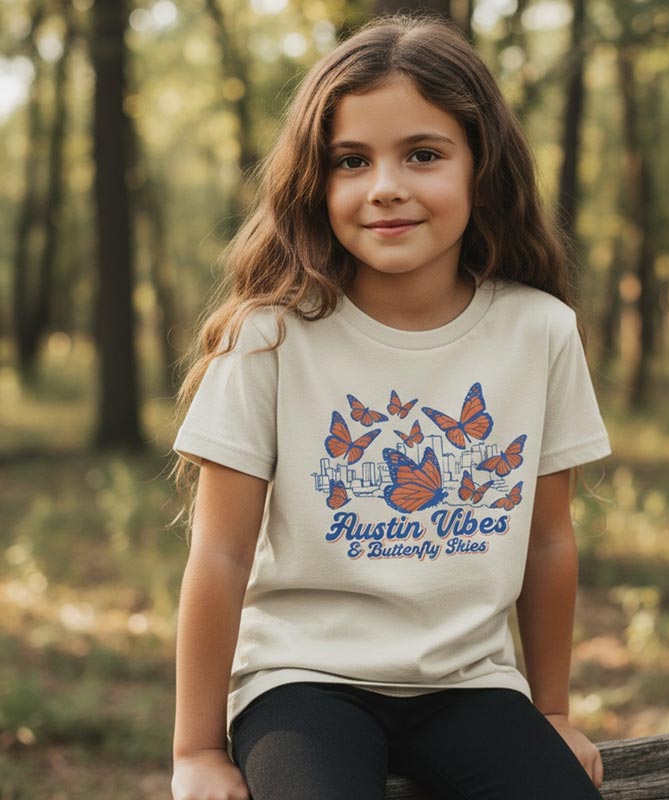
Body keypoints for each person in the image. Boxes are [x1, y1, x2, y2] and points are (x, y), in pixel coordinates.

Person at [169, 11, 613, 800]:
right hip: (301, 683)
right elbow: (221, 555)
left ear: (482, 166)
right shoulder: (269, 339)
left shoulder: (539, 331)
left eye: (423, 154)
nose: (385, 187)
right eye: (351, 160)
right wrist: (197, 752)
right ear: (316, 179)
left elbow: (548, 540)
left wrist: (552, 709)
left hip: (472, 683)